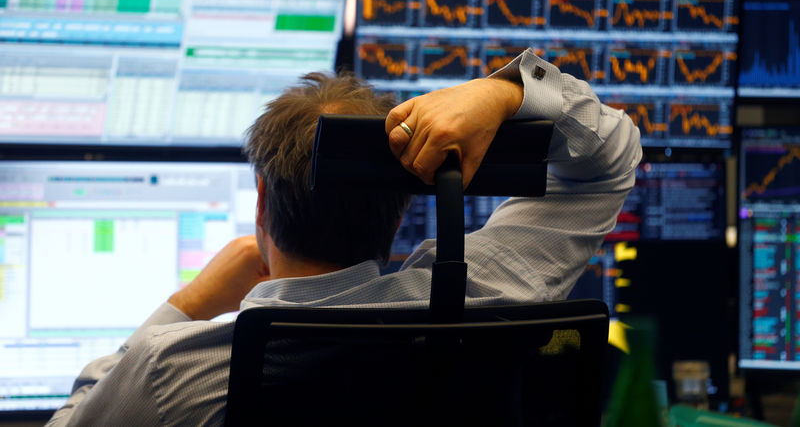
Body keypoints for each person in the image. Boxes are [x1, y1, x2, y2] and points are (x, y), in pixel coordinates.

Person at [46, 49, 641, 425]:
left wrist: (190, 304)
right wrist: (504, 91)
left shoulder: (173, 369)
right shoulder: (489, 297)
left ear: (261, 204)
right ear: (401, 203)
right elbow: (610, 158)